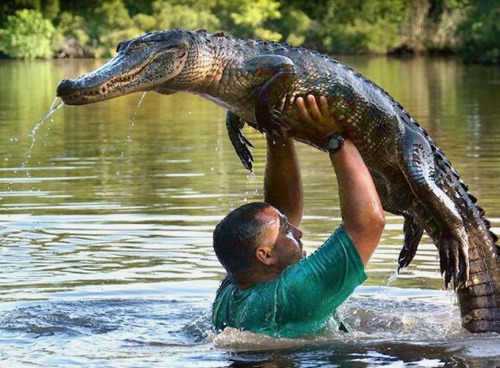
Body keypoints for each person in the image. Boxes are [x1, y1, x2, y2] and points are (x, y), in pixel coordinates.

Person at [212, 95, 385, 338]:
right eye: (287, 231)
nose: (298, 232)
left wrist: (277, 131)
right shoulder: (292, 294)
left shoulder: (231, 292)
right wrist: (335, 138)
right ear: (265, 255)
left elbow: (278, 213)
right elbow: (367, 224)